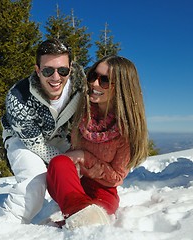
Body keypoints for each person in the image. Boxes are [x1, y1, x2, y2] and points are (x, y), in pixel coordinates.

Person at [46, 55, 149, 229]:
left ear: (122, 88)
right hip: (70, 184)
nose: (94, 83)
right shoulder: (82, 112)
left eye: (105, 80)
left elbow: (116, 177)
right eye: (93, 76)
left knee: (96, 212)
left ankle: (80, 216)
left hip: (103, 192)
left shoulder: (125, 131)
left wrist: (85, 157)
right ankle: (80, 213)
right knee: (59, 162)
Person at [0, 38, 85, 223]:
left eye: (62, 70)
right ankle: (5, 225)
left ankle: (79, 211)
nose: (55, 77)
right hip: (22, 138)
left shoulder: (80, 84)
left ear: (70, 68)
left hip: (58, 135)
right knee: (35, 181)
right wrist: (65, 162)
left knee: (82, 174)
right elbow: (36, 145)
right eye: (47, 70)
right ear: (38, 70)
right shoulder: (18, 97)